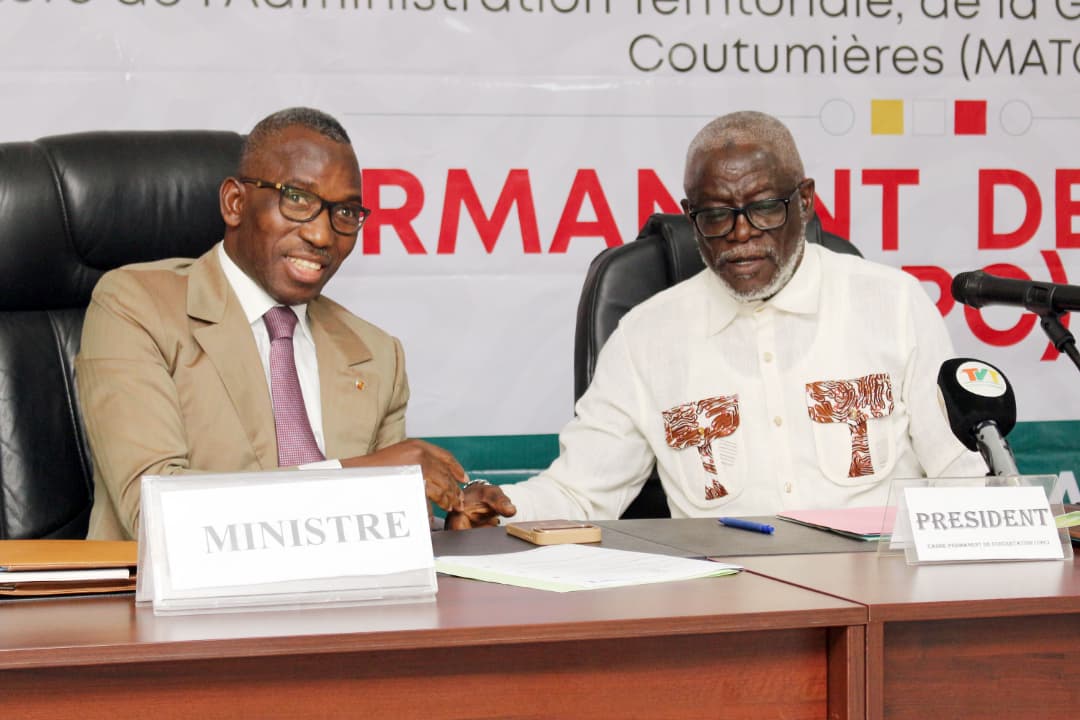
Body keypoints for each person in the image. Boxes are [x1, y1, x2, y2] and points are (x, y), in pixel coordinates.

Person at [451, 110, 984, 526]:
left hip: (880, 599)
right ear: (691, 217)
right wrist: (497, 509)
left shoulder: (893, 304)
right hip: (731, 608)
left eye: (764, 208)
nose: (740, 233)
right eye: (715, 215)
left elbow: (962, 474)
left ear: (805, 202)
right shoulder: (645, 337)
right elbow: (578, 492)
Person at [78, 107, 511, 540]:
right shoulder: (137, 306)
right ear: (235, 203)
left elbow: (382, 534)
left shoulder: (378, 355)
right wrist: (357, 476)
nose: (322, 236)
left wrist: (442, 531)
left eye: (345, 212)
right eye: (298, 199)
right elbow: (153, 515)